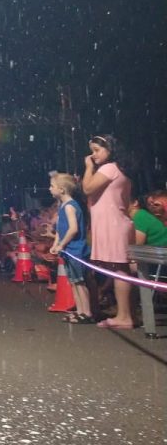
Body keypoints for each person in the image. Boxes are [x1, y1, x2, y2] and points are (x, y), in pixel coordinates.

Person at [82, 134, 135, 330]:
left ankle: (124, 316)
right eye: (92, 151)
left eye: (97, 150)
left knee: (120, 270)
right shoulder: (119, 169)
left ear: (109, 150)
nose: (93, 155)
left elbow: (87, 188)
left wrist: (88, 168)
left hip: (113, 225)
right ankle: (127, 313)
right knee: (119, 269)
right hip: (115, 223)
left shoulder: (109, 168)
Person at [47, 172, 92, 324]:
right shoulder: (62, 206)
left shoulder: (71, 206)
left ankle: (86, 312)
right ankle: (79, 311)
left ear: (62, 189)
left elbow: (73, 229)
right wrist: (56, 244)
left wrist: (62, 244)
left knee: (79, 282)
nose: (50, 189)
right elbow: (60, 230)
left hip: (76, 250)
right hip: (68, 250)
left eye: (52, 186)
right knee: (73, 282)